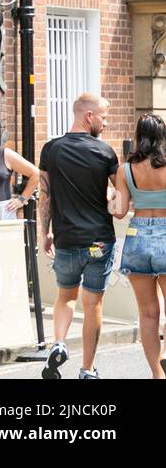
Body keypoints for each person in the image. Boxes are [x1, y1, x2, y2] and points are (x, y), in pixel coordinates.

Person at [39, 93, 119, 380]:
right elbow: (119, 203)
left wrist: (44, 234)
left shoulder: (50, 150)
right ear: (89, 116)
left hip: (66, 240)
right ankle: (87, 369)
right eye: (104, 117)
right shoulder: (106, 153)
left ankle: (59, 341)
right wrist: (113, 201)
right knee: (93, 303)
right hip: (99, 240)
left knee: (66, 297)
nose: (105, 123)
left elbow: (44, 198)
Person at [111, 113, 166, 378]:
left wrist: (110, 197)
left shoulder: (125, 170)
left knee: (147, 313)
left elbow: (119, 211)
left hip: (137, 236)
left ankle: (157, 374)